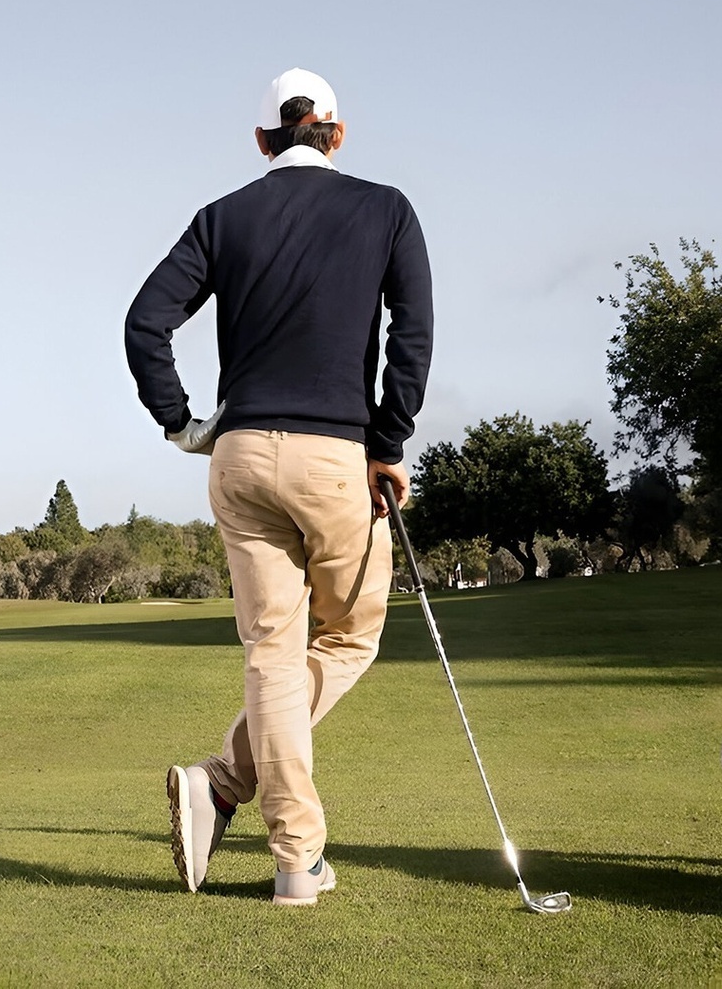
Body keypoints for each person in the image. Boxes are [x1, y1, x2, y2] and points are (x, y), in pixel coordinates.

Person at [123, 67, 434, 906]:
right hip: (337, 456)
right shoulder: (387, 208)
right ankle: (237, 796)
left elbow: (144, 322)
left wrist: (183, 423)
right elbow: (413, 332)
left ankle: (269, 832)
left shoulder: (222, 216)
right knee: (347, 641)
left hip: (242, 454)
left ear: (264, 142)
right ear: (336, 132)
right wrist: (390, 441)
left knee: (271, 653)